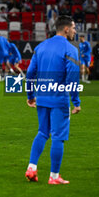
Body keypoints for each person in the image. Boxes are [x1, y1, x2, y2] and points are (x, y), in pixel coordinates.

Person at [25, 15, 81, 185]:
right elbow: (72, 77)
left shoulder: (41, 47)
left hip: (42, 97)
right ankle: (54, 177)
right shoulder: (70, 49)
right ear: (66, 29)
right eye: (73, 27)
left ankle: (32, 168)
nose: (74, 31)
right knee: (58, 137)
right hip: (59, 99)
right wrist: (76, 102)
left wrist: (30, 95)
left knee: (42, 132)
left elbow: (29, 73)